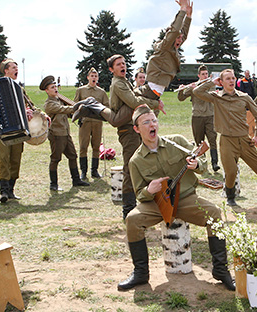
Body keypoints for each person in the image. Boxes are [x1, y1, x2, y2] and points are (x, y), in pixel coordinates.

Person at [118, 104, 235, 291]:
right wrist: (150, 189)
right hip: (158, 204)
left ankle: (221, 270)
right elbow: (140, 194)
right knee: (132, 219)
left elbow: (203, 165)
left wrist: (196, 165)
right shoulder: (136, 160)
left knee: (214, 213)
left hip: (185, 199)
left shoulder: (177, 142)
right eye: (145, 122)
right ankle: (140, 273)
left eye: (153, 120)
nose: (151, 125)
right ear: (136, 129)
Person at [72, 55, 164, 220]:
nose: (123, 66)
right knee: (130, 168)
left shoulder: (124, 81)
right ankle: (127, 210)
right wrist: (155, 103)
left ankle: (140, 203)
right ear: (111, 69)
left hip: (131, 128)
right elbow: (134, 102)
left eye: (124, 63)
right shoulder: (118, 83)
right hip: (126, 131)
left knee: (140, 165)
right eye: (118, 64)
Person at [193, 69, 257, 206]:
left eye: (233, 78)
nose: (231, 81)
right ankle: (230, 196)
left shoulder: (244, 97)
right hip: (227, 141)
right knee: (231, 171)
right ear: (221, 82)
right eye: (227, 79)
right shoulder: (216, 97)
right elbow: (197, 92)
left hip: (245, 140)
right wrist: (211, 82)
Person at [0, 58, 37, 203]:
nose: (16, 70)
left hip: (18, 130)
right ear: (6, 70)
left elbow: (30, 106)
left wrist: (32, 112)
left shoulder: (20, 89)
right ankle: (4, 191)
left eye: (16, 67)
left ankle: (11, 189)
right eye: (13, 67)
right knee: (4, 158)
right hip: (2, 130)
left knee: (15, 159)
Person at [41, 75, 90, 191]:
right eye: (52, 87)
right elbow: (63, 110)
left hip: (65, 133)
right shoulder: (49, 104)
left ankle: (76, 180)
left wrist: (76, 113)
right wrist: (76, 107)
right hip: (56, 134)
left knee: (73, 156)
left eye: (55, 86)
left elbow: (66, 113)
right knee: (55, 158)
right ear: (47, 91)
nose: (55, 89)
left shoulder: (59, 100)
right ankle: (53, 184)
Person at [138, 0, 192, 101]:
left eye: (181, 38)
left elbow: (182, 33)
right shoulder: (165, 47)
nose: (180, 40)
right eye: (178, 38)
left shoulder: (172, 49)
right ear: (170, 38)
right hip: (150, 90)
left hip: (155, 92)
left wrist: (188, 16)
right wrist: (182, 10)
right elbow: (175, 30)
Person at [177, 64, 220, 172]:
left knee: (212, 139)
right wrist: (182, 89)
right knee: (199, 141)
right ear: (199, 76)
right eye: (203, 74)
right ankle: (202, 163)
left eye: (206, 74)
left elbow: (207, 94)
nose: (205, 76)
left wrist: (198, 88)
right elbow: (181, 98)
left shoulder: (211, 85)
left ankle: (215, 163)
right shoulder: (193, 86)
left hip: (210, 115)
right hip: (197, 117)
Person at [74, 67, 109, 180]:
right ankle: (83, 171)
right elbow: (74, 105)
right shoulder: (81, 90)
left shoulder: (101, 92)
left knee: (96, 146)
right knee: (83, 146)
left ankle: (94, 170)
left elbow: (107, 107)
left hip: (97, 123)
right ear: (88, 77)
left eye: (96, 76)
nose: (94, 78)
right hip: (85, 122)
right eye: (92, 76)